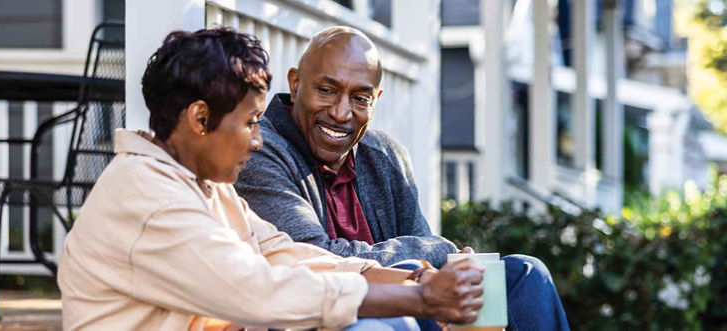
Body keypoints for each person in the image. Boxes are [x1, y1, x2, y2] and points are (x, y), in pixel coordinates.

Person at [57, 27, 486, 331]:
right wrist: (420, 299)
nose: (260, 140)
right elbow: (260, 290)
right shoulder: (146, 194)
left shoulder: (206, 187)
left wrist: (411, 279)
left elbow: (285, 255)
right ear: (201, 119)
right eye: (251, 122)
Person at [234, 26, 571, 330]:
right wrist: (436, 255)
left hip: (406, 307)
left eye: (360, 98)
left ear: (376, 101)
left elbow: (426, 253)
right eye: (326, 90)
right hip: (323, 317)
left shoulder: (384, 155)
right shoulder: (258, 147)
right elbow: (313, 256)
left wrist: (446, 273)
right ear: (295, 84)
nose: (340, 112)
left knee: (526, 275)